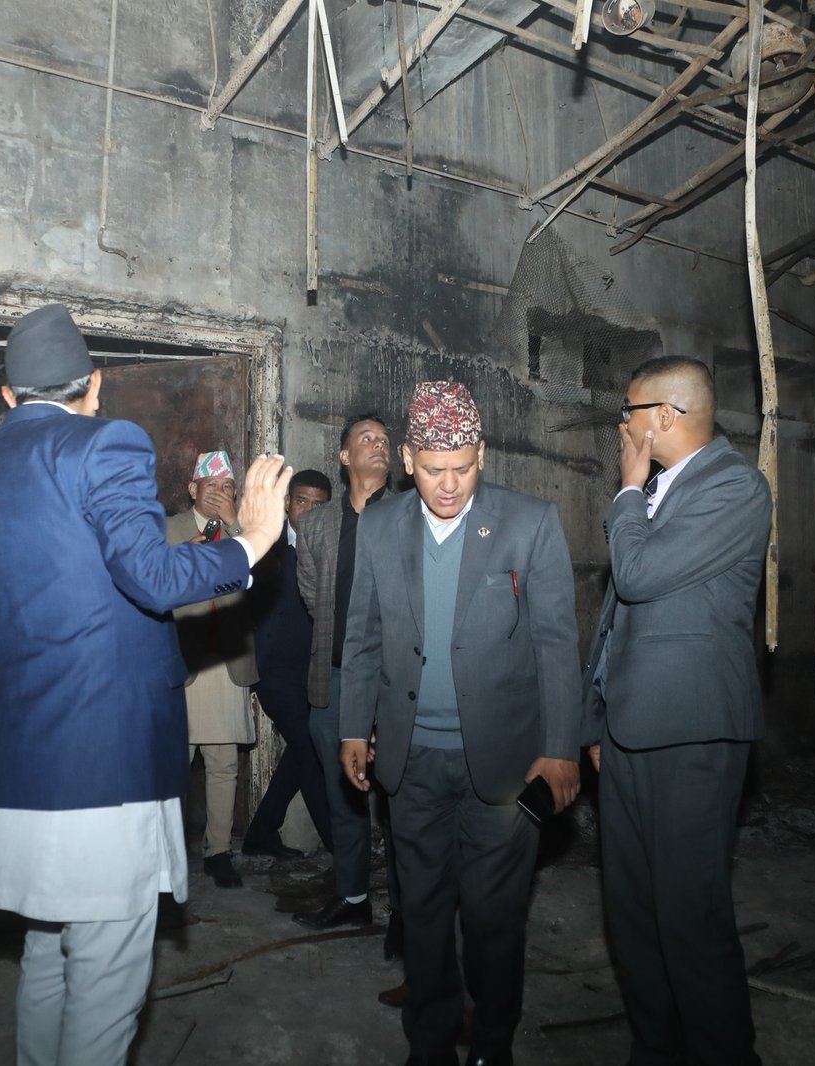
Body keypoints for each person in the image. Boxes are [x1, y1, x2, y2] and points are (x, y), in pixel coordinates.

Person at [0, 302, 291, 1066]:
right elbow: (152, 577)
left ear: (9, 396)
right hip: (105, 763)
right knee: (107, 978)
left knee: (47, 955)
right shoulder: (107, 443)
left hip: (25, 759)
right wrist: (253, 540)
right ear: (94, 385)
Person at [339, 381, 580, 1066]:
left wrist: (561, 747)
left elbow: (557, 643)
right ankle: (431, 1044)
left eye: (464, 468)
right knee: (421, 912)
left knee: (494, 918)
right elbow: (362, 635)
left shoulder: (529, 523)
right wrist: (353, 725)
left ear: (483, 454)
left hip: (504, 766)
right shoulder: (380, 526)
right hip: (411, 761)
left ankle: (493, 1043)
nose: (449, 485)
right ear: (408, 460)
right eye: (434, 469)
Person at [581, 355, 773, 1066]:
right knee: (631, 911)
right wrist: (596, 719)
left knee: (689, 915)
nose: (621, 426)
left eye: (628, 412)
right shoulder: (663, 490)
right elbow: (618, 620)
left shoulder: (734, 487)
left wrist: (628, 489)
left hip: (692, 732)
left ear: (663, 416)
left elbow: (637, 576)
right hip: (630, 730)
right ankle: (656, 1046)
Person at [293, 414, 396, 933]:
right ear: (344, 456)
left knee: (400, 801)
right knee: (344, 799)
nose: (379, 445)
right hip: (333, 680)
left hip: (397, 684)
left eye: (385, 440)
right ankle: (353, 897)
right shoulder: (314, 526)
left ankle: (409, 914)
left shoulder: (409, 517)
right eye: (366, 439)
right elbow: (315, 598)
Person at [168, 450, 259, 889]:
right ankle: (167, 851)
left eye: (228, 487)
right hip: (182, 658)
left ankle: (218, 852)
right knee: (175, 763)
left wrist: (238, 526)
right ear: (193, 489)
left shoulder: (245, 531)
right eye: (212, 486)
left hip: (226, 659)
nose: (220, 493)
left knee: (224, 762)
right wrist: (184, 555)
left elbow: (265, 574)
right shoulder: (167, 530)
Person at [243, 469, 334, 861]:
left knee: (301, 751)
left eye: (318, 504)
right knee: (310, 750)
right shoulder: (268, 543)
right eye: (302, 501)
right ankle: (342, 847)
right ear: (287, 503)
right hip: (275, 673)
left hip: (314, 671)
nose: (309, 510)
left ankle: (261, 832)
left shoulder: (331, 546)